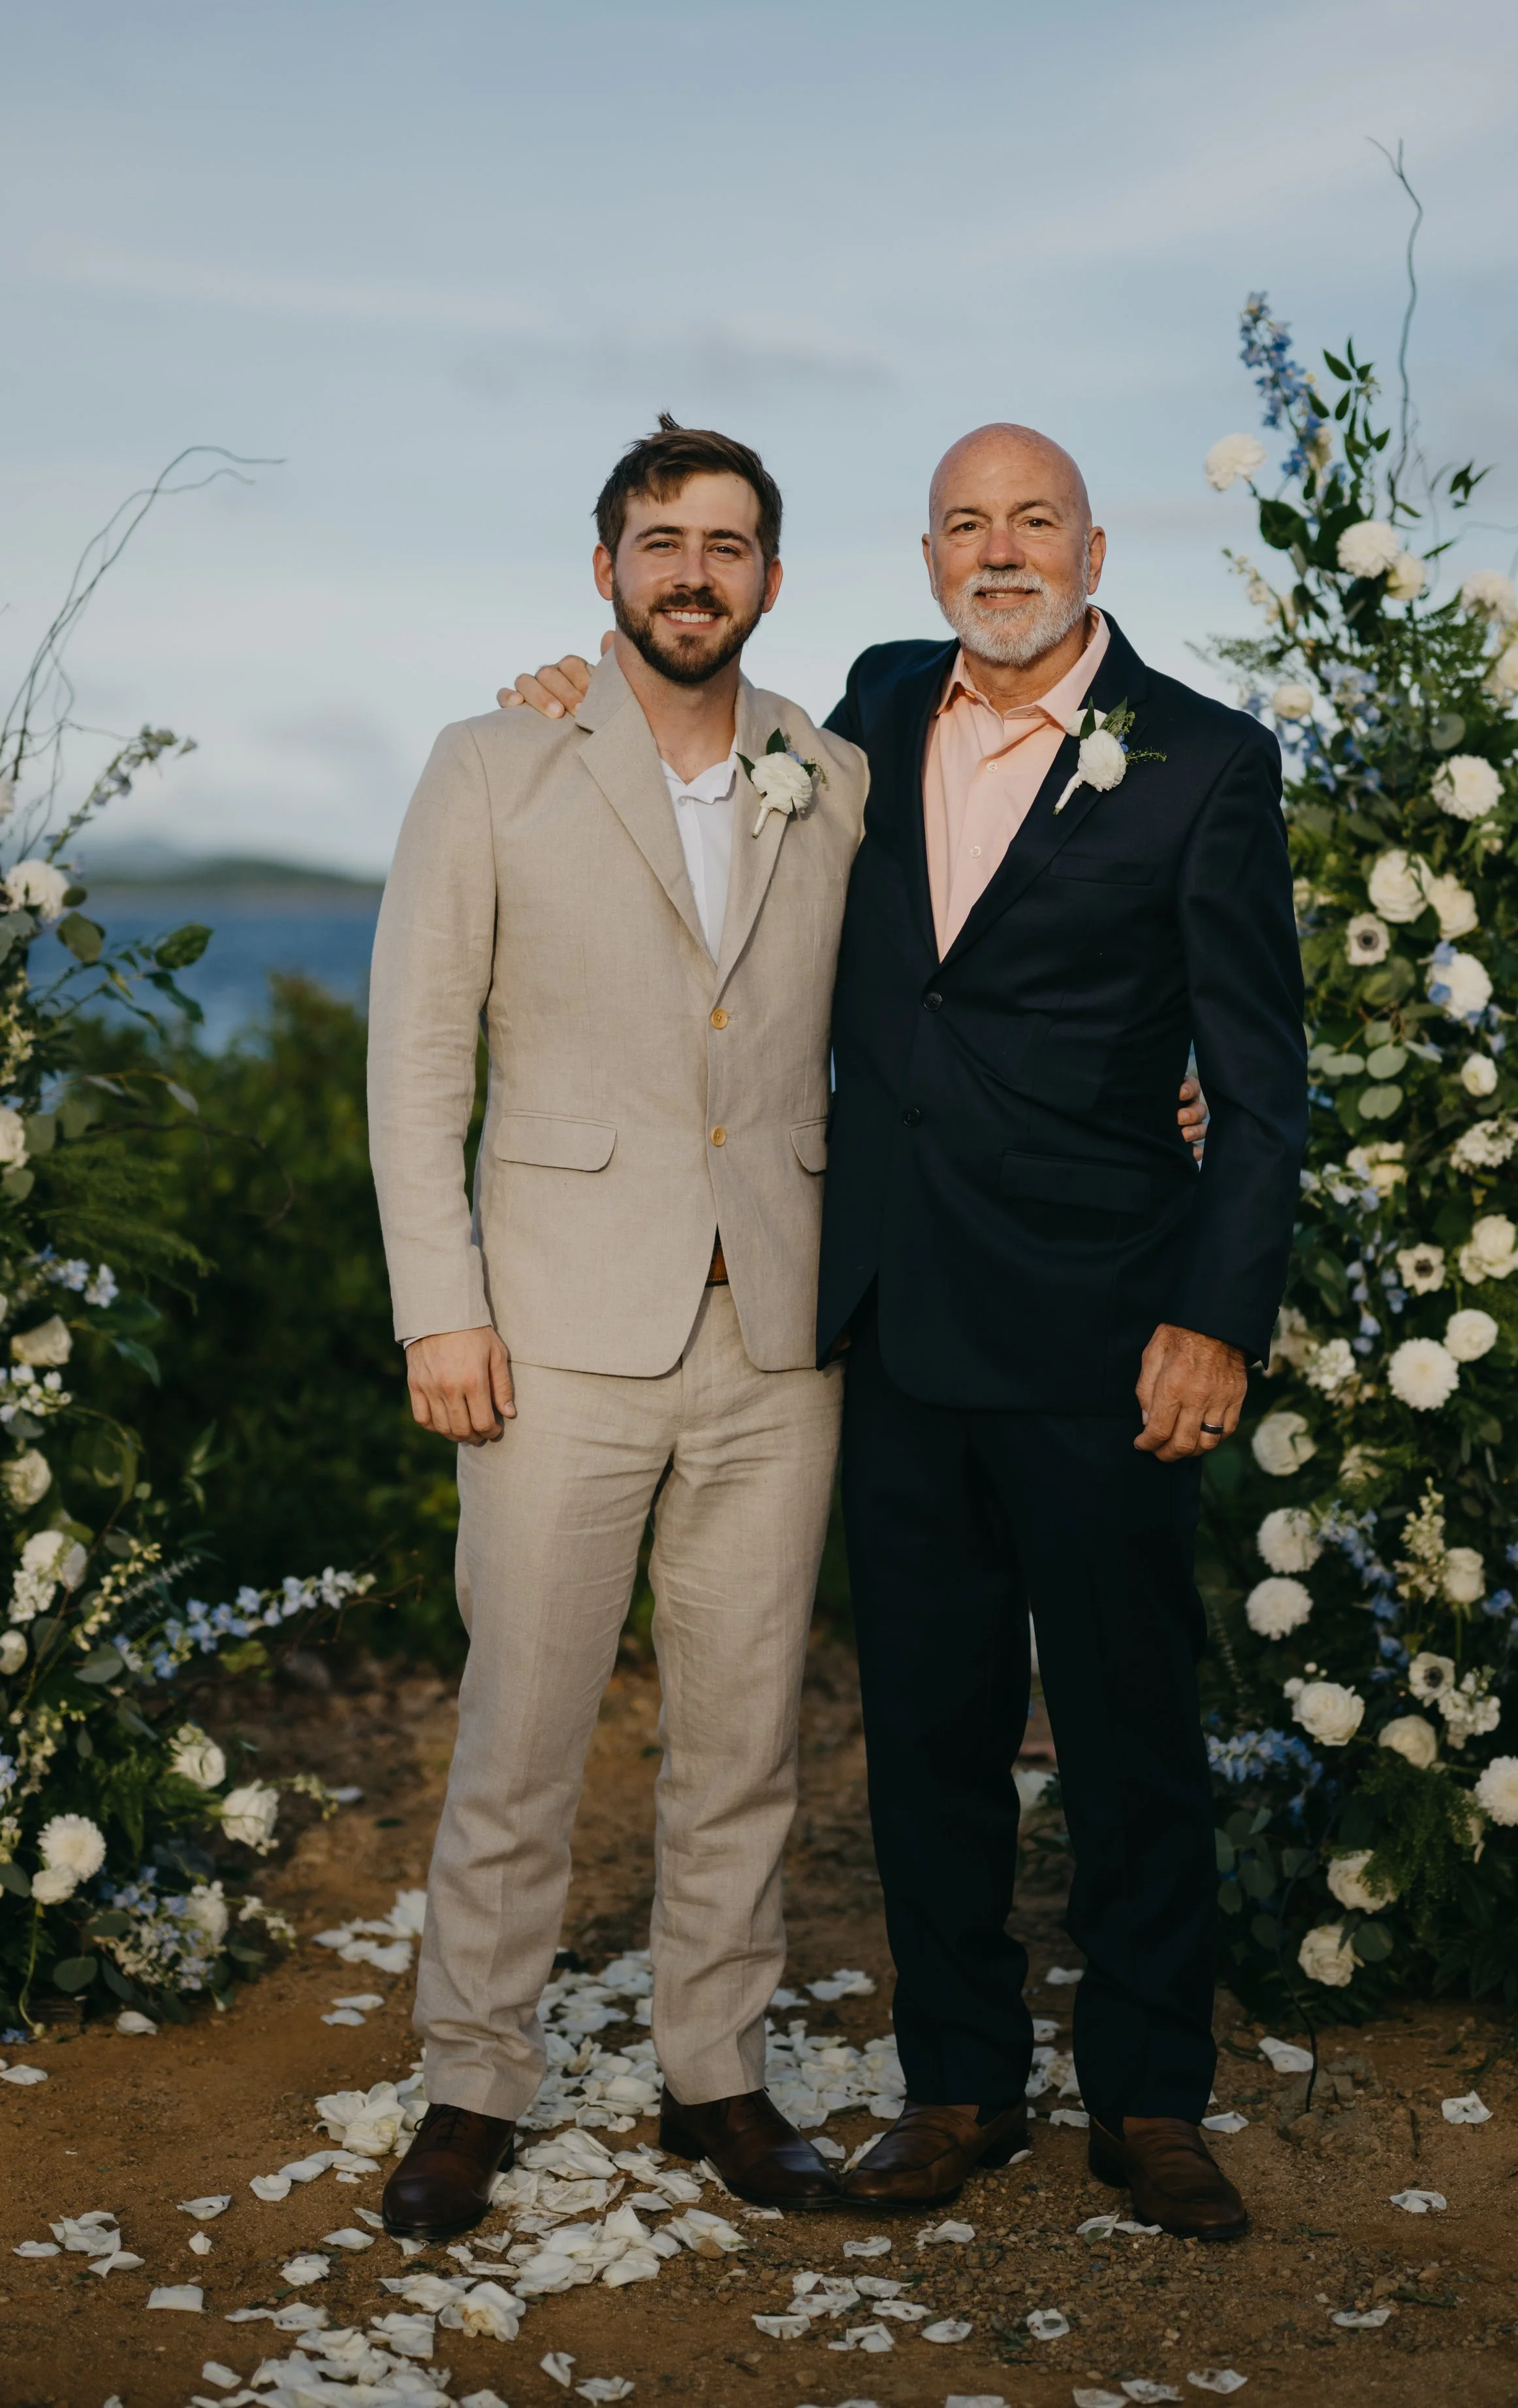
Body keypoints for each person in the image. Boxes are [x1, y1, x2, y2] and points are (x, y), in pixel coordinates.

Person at [505, 420, 1304, 2243]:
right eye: (962, 521)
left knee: (1120, 1727)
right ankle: (954, 2082)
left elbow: (1260, 1088)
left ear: (1094, 549)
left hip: (1111, 1329)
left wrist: (1214, 1317)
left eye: (1032, 519)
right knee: (928, 1731)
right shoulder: (856, 711)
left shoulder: (1203, 761)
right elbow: (683, 721)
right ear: (926, 556)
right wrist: (574, 693)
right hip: (890, 1316)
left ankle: (1152, 2092)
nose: (996, 548)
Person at [368, 418, 869, 2233]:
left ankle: (717, 2071)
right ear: (604, 569)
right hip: (556, 1329)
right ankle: (470, 2080)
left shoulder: (838, 774)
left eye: (725, 546)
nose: (689, 572)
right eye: (658, 541)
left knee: (743, 1735)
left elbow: (963, 980)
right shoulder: (491, 762)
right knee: (521, 1725)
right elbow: (417, 1055)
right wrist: (444, 1306)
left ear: (769, 582)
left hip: (780, 1332)